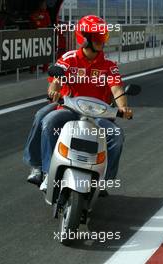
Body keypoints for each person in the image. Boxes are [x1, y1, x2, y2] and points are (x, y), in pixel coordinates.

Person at [23, 15, 133, 193]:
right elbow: (57, 78)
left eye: (103, 37)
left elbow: (117, 89)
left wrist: (123, 107)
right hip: (69, 109)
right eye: (98, 37)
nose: (102, 42)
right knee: (48, 122)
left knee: (117, 136)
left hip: (98, 115)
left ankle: (105, 181)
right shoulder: (69, 58)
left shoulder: (109, 65)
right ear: (84, 38)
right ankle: (45, 172)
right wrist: (54, 90)